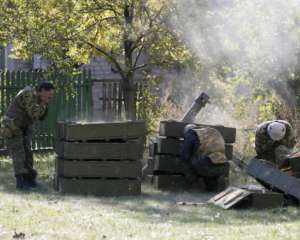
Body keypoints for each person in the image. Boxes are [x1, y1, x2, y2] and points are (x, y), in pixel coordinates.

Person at [0, 82, 55, 190]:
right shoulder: (28, 93)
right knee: (19, 153)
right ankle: (20, 183)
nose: (50, 97)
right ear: (42, 90)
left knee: (28, 154)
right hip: (12, 126)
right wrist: (44, 104)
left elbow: (42, 117)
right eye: (49, 95)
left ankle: (30, 180)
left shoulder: (39, 99)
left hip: (24, 127)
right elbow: (34, 114)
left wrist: (45, 103)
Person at [180, 124, 228, 191]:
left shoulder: (191, 133)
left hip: (207, 166)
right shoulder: (210, 131)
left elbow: (185, 155)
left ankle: (193, 189)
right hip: (223, 165)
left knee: (187, 162)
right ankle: (211, 191)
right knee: (208, 168)